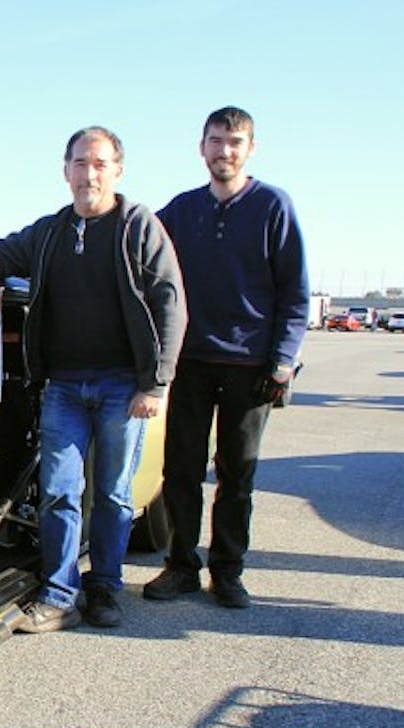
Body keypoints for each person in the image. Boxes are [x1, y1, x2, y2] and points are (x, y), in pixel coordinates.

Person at [0, 127, 187, 631]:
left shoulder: (138, 226)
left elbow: (169, 304)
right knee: (59, 491)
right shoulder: (48, 233)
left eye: (99, 164)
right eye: (80, 163)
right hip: (63, 386)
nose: (89, 174)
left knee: (112, 494)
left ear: (117, 170)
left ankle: (105, 588)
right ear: (65, 171)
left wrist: (155, 384)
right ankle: (60, 594)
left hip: (121, 386)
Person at [145, 106, 309, 608]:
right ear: (202, 147)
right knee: (180, 471)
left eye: (235, 142)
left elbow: (295, 294)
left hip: (252, 367)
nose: (225, 151)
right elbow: (142, 261)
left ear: (250, 148)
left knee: (237, 474)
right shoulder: (180, 210)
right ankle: (180, 566)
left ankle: (229, 570)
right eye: (216, 141)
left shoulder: (273, 207)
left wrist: (281, 361)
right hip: (190, 362)